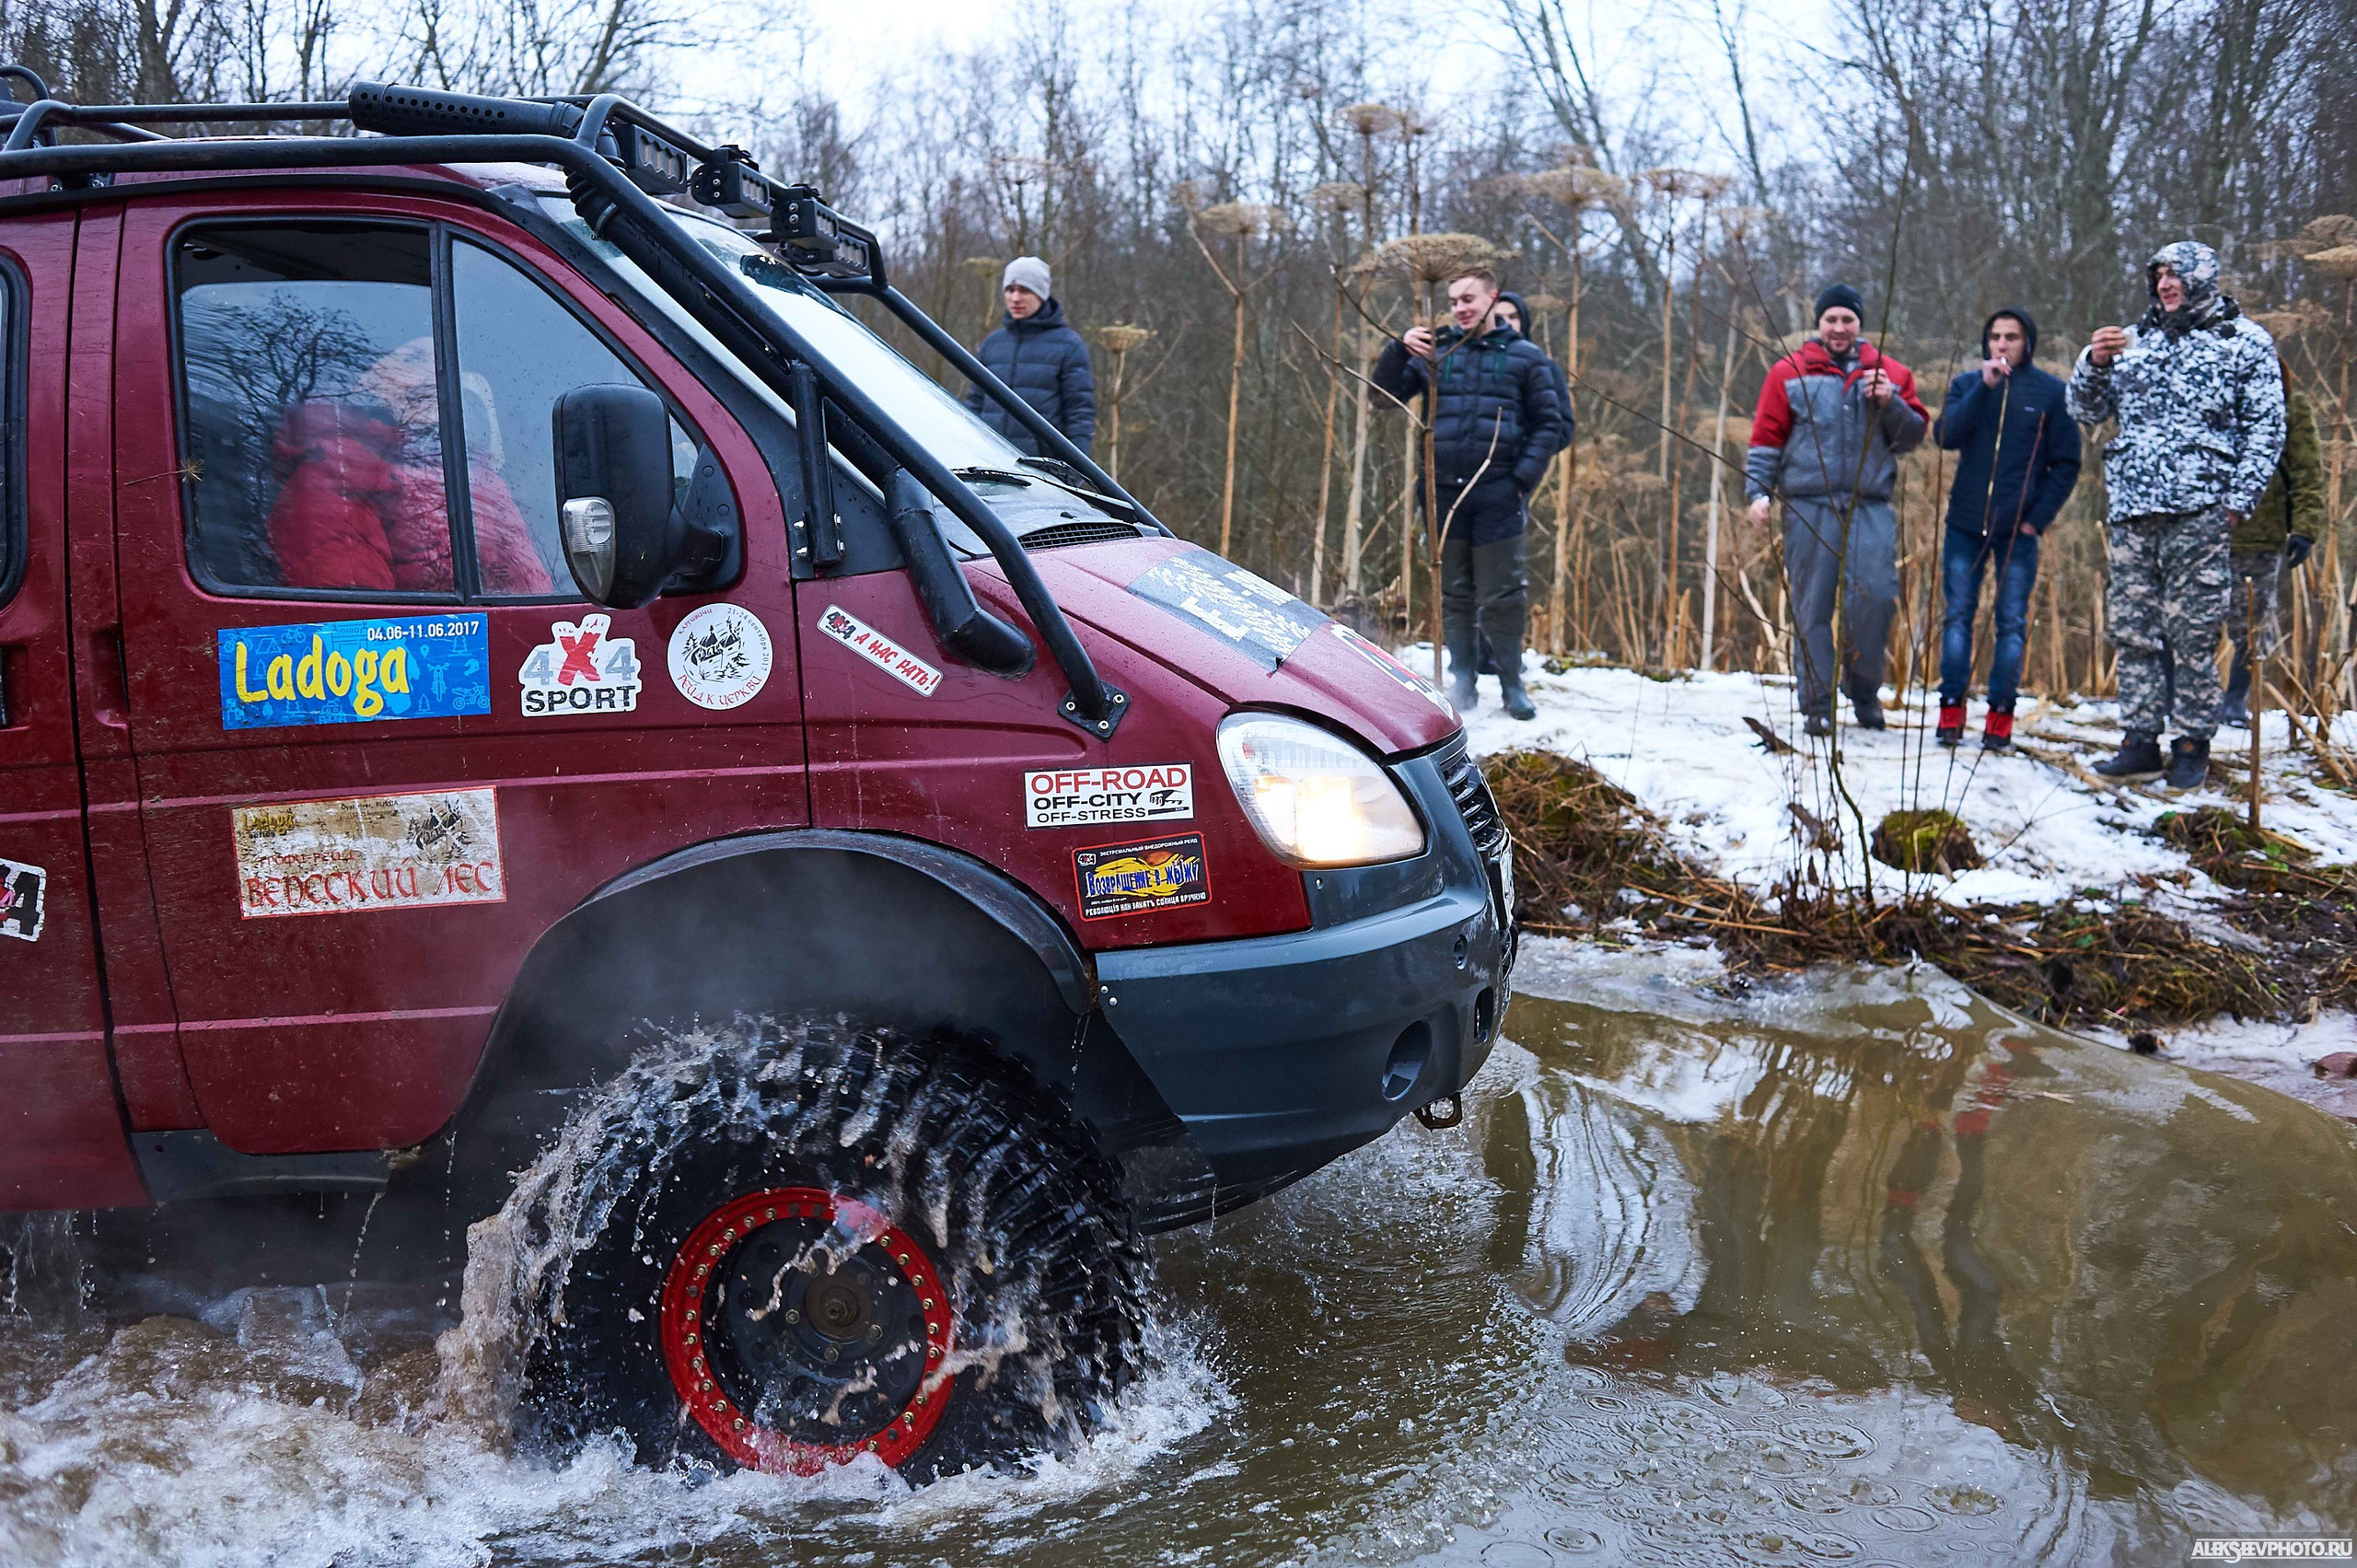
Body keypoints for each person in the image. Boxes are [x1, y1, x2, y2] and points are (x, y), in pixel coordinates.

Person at [2069, 240, 2284, 788]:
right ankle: (2139, 740)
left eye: (2176, 276)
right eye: (2158, 276)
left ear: (2203, 279)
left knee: (2192, 630)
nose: (2165, 285)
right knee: (2133, 628)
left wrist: (2239, 499)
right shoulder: (2130, 341)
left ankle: (2192, 741)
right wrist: (2093, 363)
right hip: (2133, 508)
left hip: (2201, 508)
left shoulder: (2244, 342)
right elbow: (2083, 409)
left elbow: (2266, 426)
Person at [1371, 268, 1570, 719]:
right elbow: (1383, 398)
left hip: (1498, 493)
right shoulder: (1436, 352)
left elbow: (1550, 424)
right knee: (1454, 593)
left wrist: (1520, 481)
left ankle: (1512, 683)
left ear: (1491, 298)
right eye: (1454, 300)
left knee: (1503, 593)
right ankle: (1462, 679)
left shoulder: (1526, 358)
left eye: (1469, 299)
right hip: (1441, 494)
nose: (1461, 307)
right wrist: (1397, 349)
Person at [1744, 284, 1929, 736]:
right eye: (1831, 320)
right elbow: (1766, 439)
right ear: (1819, 323)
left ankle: (1863, 693)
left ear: (1860, 324)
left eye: (1848, 320)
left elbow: (1912, 437)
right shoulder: (1788, 373)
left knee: (1878, 598)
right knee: (1813, 605)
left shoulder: (1890, 372)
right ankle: (1817, 705)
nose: (1840, 328)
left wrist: (1892, 403)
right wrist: (1757, 493)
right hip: (1809, 503)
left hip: (1870, 504)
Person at [268, 337, 550, 596]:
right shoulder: (333, 473)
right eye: (412, 359)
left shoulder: (480, 479)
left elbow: (531, 587)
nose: (437, 369)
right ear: (367, 383)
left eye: (443, 358)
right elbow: (361, 620)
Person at [1932, 308, 2081, 750]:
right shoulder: (1966, 385)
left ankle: (2000, 715)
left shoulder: (2053, 394)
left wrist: (2037, 519)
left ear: (2027, 343)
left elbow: (2067, 463)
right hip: (1964, 524)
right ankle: (1951, 710)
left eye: (2011, 337)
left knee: (2011, 622)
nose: (2002, 344)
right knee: (1957, 617)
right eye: (1995, 337)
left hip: (2018, 530)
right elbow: (1946, 436)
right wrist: (1984, 386)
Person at [2216, 362, 2324, 726]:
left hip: (2261, 531)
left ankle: (2235, 698)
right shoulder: (2208, 396)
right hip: (2199, 530)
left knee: (2252, 621)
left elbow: (2306, 469)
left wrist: (2305, 527)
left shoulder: (2290, 406)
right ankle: (2188, 697)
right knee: (2189, 621)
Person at [962, 256, 1096, 458]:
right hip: (988, 461)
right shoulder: (992, 344)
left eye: (1024, 290)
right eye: (1010, 290)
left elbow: (1079, 414)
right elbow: (975, 405)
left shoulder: (1069, 346)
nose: (1015, 298)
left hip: (1042, 469)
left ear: (1041, 294)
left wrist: (1074, 473)